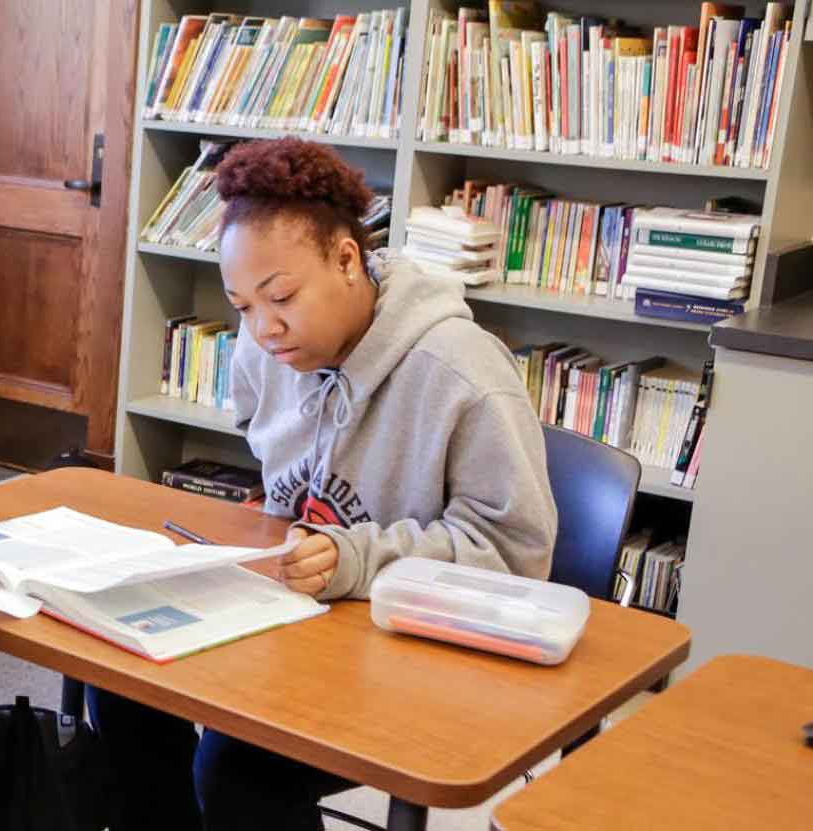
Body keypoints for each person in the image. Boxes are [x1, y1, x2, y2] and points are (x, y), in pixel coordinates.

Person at [89, 138, 557, 829]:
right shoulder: (262, 348)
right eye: (242, 304)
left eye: (281, 297)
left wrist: (354, 557)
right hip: (301, 627)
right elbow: (283, 477)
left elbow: (518, 555)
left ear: (346, 260)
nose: (263, 328)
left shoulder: (462, 376)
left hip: (410, 650)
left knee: (237, 766)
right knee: (124, 692)